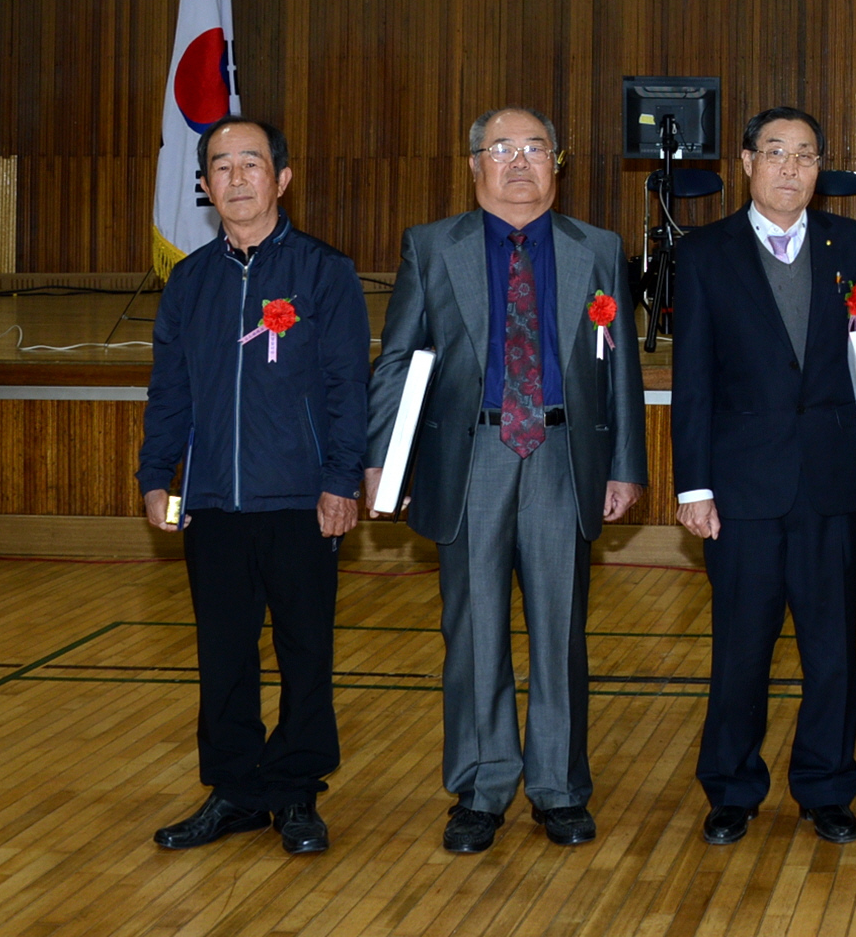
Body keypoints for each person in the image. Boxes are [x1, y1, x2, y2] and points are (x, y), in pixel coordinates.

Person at [363, 107, 646, 854]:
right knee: (474, 631)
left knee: (560, 633)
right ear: (473, 165)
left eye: (535, 148)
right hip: (471, 459)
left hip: (562, 456)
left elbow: (620, 365)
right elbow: (398, 360)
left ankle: (559, 788)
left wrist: (625, 465)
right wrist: (384, 461)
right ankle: (481, 788)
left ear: (557, 163)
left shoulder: (598, 248)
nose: (519, 162)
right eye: (501, 149)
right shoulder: (431, 247)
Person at [139, 116, 368, 856]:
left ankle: (296, 790)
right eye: (221, 166)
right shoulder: (189, 282)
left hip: (303, 501)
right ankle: (235, 790)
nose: (236, 178)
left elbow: (348, 389)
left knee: (305, 652)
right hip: (211, 503)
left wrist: (341, 480)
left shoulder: (324, 272)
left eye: (251, 163)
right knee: (223, 654)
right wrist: (156, 475)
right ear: (205, 185)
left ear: (282, 178)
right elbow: (169, 391)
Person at [671, 106, 856, 846]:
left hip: (832, 482)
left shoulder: (852, 246)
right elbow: (693, 378)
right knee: (741, 651)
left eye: (805, 155)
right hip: (741, 489)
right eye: (775, 152)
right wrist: (693, 486)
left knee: (832, 652)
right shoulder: (706, 253)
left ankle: (827, 786)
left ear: (819, 168)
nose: (790, 168)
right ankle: (731, 787)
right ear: (746, 162)